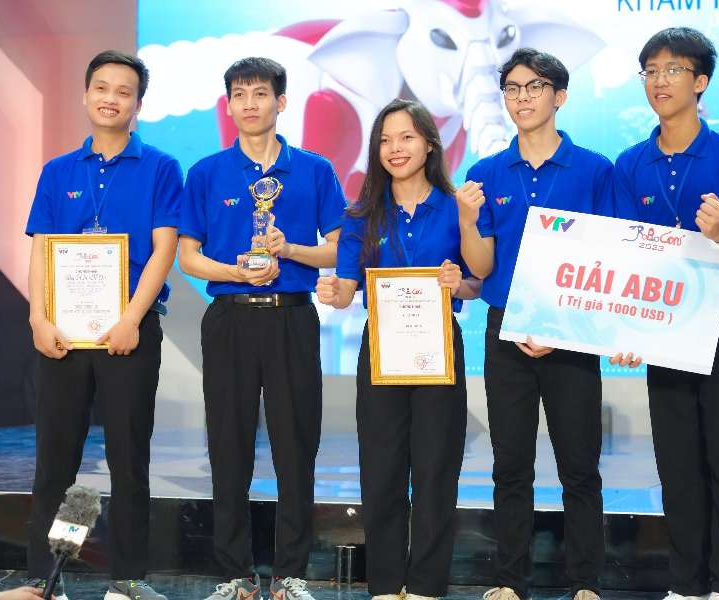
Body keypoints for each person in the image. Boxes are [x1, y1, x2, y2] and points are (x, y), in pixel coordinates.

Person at [178, 57, 346, 600]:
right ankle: (235, 574)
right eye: (239, 94)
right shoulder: (206, 173)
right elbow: (188, 255)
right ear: (229, 104)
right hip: (229, 318)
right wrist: (234, 272)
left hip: (292, 315)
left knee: (296, 445)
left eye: (260, 93)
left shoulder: (314, 169)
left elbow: (338, 249)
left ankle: (290, 574)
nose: (249, 103)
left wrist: (290, 249)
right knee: (228, 445)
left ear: (281, 101)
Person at [456, 48, 616, 600]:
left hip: (571, 332)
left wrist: (567, 325)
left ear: (560, 96)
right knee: (510, 465)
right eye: (512, 88)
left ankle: (586, 581)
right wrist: (467, 219)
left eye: (535, 87)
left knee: (580, 464)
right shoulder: (485, 173)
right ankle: (510, 581)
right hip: (506, 330)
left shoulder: (595, 170)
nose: (522, 98)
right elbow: (480, 267)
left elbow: (610, 257)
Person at [612, 27, 719, 600]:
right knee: (676, 457)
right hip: (663, 316)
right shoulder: (631, 163)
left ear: (700, 82)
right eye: (650, 71)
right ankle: (686, 583)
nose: (660, 81)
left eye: (673, 70)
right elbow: (625, 255)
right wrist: (624, 327)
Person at [24, 50, 182, 600]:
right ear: (86, 94)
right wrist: (38, 318)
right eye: (101, 88)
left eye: (124, 91)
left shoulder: (161, 167)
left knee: (128, 459)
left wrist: (132, 318)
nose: (111, 98)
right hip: (63, 336)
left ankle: (127, 577)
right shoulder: (58, 171)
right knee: (56, 462)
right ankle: (45, 577)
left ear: (139, 104)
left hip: (129, 334)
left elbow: (164, 249)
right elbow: (42, 248)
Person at [316, 98, 480, 600]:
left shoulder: (455, 208)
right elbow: (347, 289)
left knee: (436, 468)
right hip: (382, 350)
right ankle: (386, 584)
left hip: (439, 348)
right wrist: (333, 292)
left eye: (406, 137)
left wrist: (458, 283)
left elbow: (475, 283)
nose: (395, 148)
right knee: (382, 467)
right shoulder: (361, 214)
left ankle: (427, 585)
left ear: (429, 143)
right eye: (385, 140)